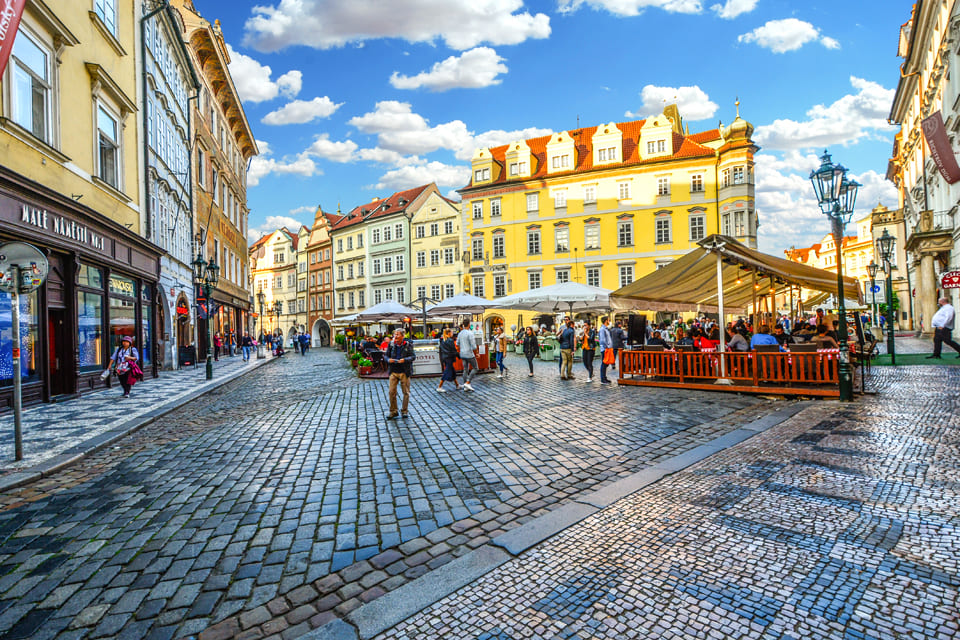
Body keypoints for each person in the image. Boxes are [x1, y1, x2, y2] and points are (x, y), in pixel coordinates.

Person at [385, 329, 416, 419]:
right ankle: (393, 411)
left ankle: (404, 411)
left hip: (404, 371)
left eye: (398, 334)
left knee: (405, 392)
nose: (396, 336)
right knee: (391, 392)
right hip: (393, 371)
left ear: (403, 336)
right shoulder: (391, 344)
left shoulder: (408, 345)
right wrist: (388, 360)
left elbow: (413, 357)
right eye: (395, 334)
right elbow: (386, 355)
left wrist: (404, 360)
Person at [456, 321, 478, 391]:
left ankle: (465, 386)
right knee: (475, 368)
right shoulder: (470, 333)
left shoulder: (460, 333)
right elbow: (474, 346)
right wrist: (477, 352)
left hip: (462, 354)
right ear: (469, 325)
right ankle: (468, 382)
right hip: (469, 354)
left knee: (465, 369)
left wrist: (461, 349)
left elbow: (457, 343)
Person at [598, 317, 613, 384]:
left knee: (606, 364)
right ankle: (603, 378)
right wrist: (607, 346)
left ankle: (604, 377)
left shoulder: (606, 329)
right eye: (608, 320)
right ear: (605, 321)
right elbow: (602, 340)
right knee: (604, 363)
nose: (609, 321)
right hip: (605, 349)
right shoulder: (602, 329)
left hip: (607, 348)